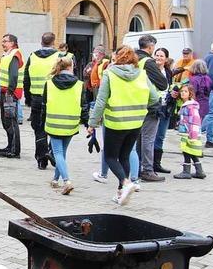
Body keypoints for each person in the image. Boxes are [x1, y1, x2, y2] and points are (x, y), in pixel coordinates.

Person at [88, 46, 159, 206]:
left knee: (110, 157)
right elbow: (154, 97)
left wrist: (92, 123)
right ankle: (121, 192)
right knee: (124, 156)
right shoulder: (142, 74)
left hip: (116, 122)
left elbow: (100, 101)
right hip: (136, 122)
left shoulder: (110, 74)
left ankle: (125, 183)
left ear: (118, 58)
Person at [42, 57, 87, 195]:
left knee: (58, 154)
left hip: (54, 123)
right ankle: (55, 180)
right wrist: (87, 123)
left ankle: (67, 181)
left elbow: (44, 105)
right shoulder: (80, 84)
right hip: (71, 124)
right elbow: (83, 105)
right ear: (70, 67)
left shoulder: (49, 84)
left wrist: (41, 122)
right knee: (62, 153)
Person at [135, 35, 169, 182]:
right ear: (150, 47)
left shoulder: (133, 59)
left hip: (135, 103)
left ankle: (135, 168)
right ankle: (148, 170)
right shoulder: (148, 62)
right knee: (148, 139)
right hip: (150, 104)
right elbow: (163, 84)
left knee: (138, 139)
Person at [24, 32, 59, 169]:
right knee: (54, 128)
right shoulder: (58, 57)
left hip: (36, 98)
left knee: (39, 128)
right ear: (53, 42)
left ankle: (41, 159)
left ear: (41, 41)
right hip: (53, 98)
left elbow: (26, 79)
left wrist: (27, 98)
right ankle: (51, 152)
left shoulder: (32, 56)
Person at [0, 34, 24, 159]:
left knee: (11, 121)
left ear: (12, 43)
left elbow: (13, 75)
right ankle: (10, 146)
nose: (3, 43)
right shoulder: (8, 55)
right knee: (6, 121)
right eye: (2, 41)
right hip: (6, 92)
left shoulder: (15, 55)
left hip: (10, 93)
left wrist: (10, 91)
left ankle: (14, 150)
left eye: (5, 41)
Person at [173, 85, 206, 179]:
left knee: (187, 151)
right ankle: (199, 171)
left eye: (185, 91)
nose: (183, 93)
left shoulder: (190, 107)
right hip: (186, 132)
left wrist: (193, 135)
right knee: (190, 151)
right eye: (182, 91)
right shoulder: (185, 105)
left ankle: (186, 171)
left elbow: (195, 121)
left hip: (189, 133)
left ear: (190, 94)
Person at [203, 40, 213, 148]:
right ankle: (197, 132)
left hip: (207, 90)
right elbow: (212, 74)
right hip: (211, 90)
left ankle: (211, 139)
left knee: (212, 113)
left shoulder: (207, 56)